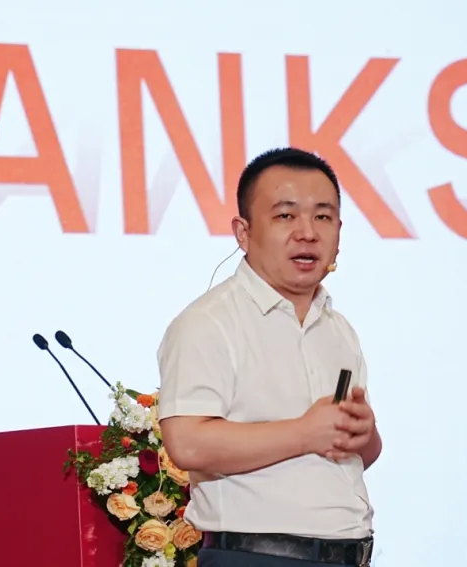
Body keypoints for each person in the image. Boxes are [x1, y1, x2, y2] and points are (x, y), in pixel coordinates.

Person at [157, 147, 382, 567]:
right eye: (285, 215)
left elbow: (357, 455)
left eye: (323, 216)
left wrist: (363, 435)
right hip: (256, 557)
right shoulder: (209, 322)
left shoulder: (338, 329)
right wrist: (304, 432)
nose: (307, 233)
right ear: (243, 232)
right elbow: (186, 443)